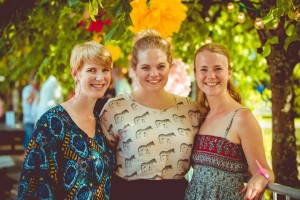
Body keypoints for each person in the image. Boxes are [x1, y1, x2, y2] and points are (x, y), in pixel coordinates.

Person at [100, 30, 201, 200]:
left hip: (177, 195)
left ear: (170, 65)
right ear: (134, 68)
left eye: (161, 66)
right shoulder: (115, 108)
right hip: (128, 194)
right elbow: (100, 163)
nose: (154, 74)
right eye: (146, 67)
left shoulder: (189, 109)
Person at [17, 41, 115, 199]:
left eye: (105, 70)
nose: (100, 77)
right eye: (92, 70)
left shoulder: (101, 122)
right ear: (75, 74)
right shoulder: (52, 123)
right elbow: (33, 188)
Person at [185, 43, 275, 200]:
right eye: (204, 69)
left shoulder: (242, 118)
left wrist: (262, 177)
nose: (211, 76)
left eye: (218, 69)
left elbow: (264, 170)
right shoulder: (201, 116)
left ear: (229, 73)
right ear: (196, 74)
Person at [21, 72, 39, 150]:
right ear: (31, 80)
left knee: (32, 142)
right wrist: (33, 88)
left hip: (36, 119)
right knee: (30, 141)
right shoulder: (27, 89)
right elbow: (30, 100)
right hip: (29, 119)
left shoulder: (38, 90)